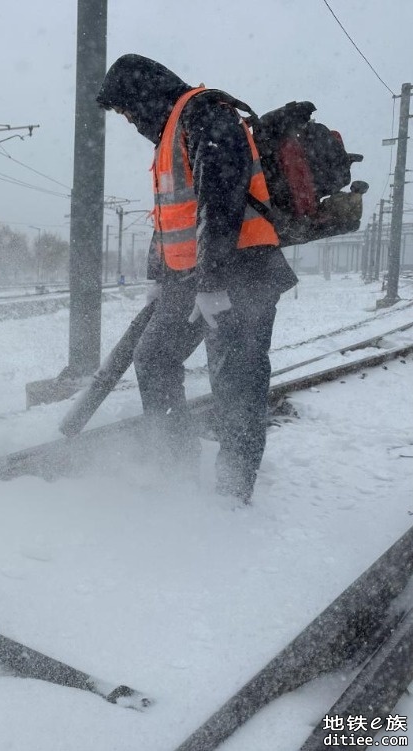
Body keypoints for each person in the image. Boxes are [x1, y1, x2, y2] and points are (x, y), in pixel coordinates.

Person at [96, 54, 298, 503]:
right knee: (153, 357)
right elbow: (173, 215)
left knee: (236, 381)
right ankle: (174, 469)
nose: (130, 120)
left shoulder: (206, 116)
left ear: (145, 96)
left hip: (242, 273)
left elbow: (219, 201)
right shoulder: (172, 132)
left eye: (128, 109)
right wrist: (158, 274)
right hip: (193, 277)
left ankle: (232, 491)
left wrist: (211, 283)